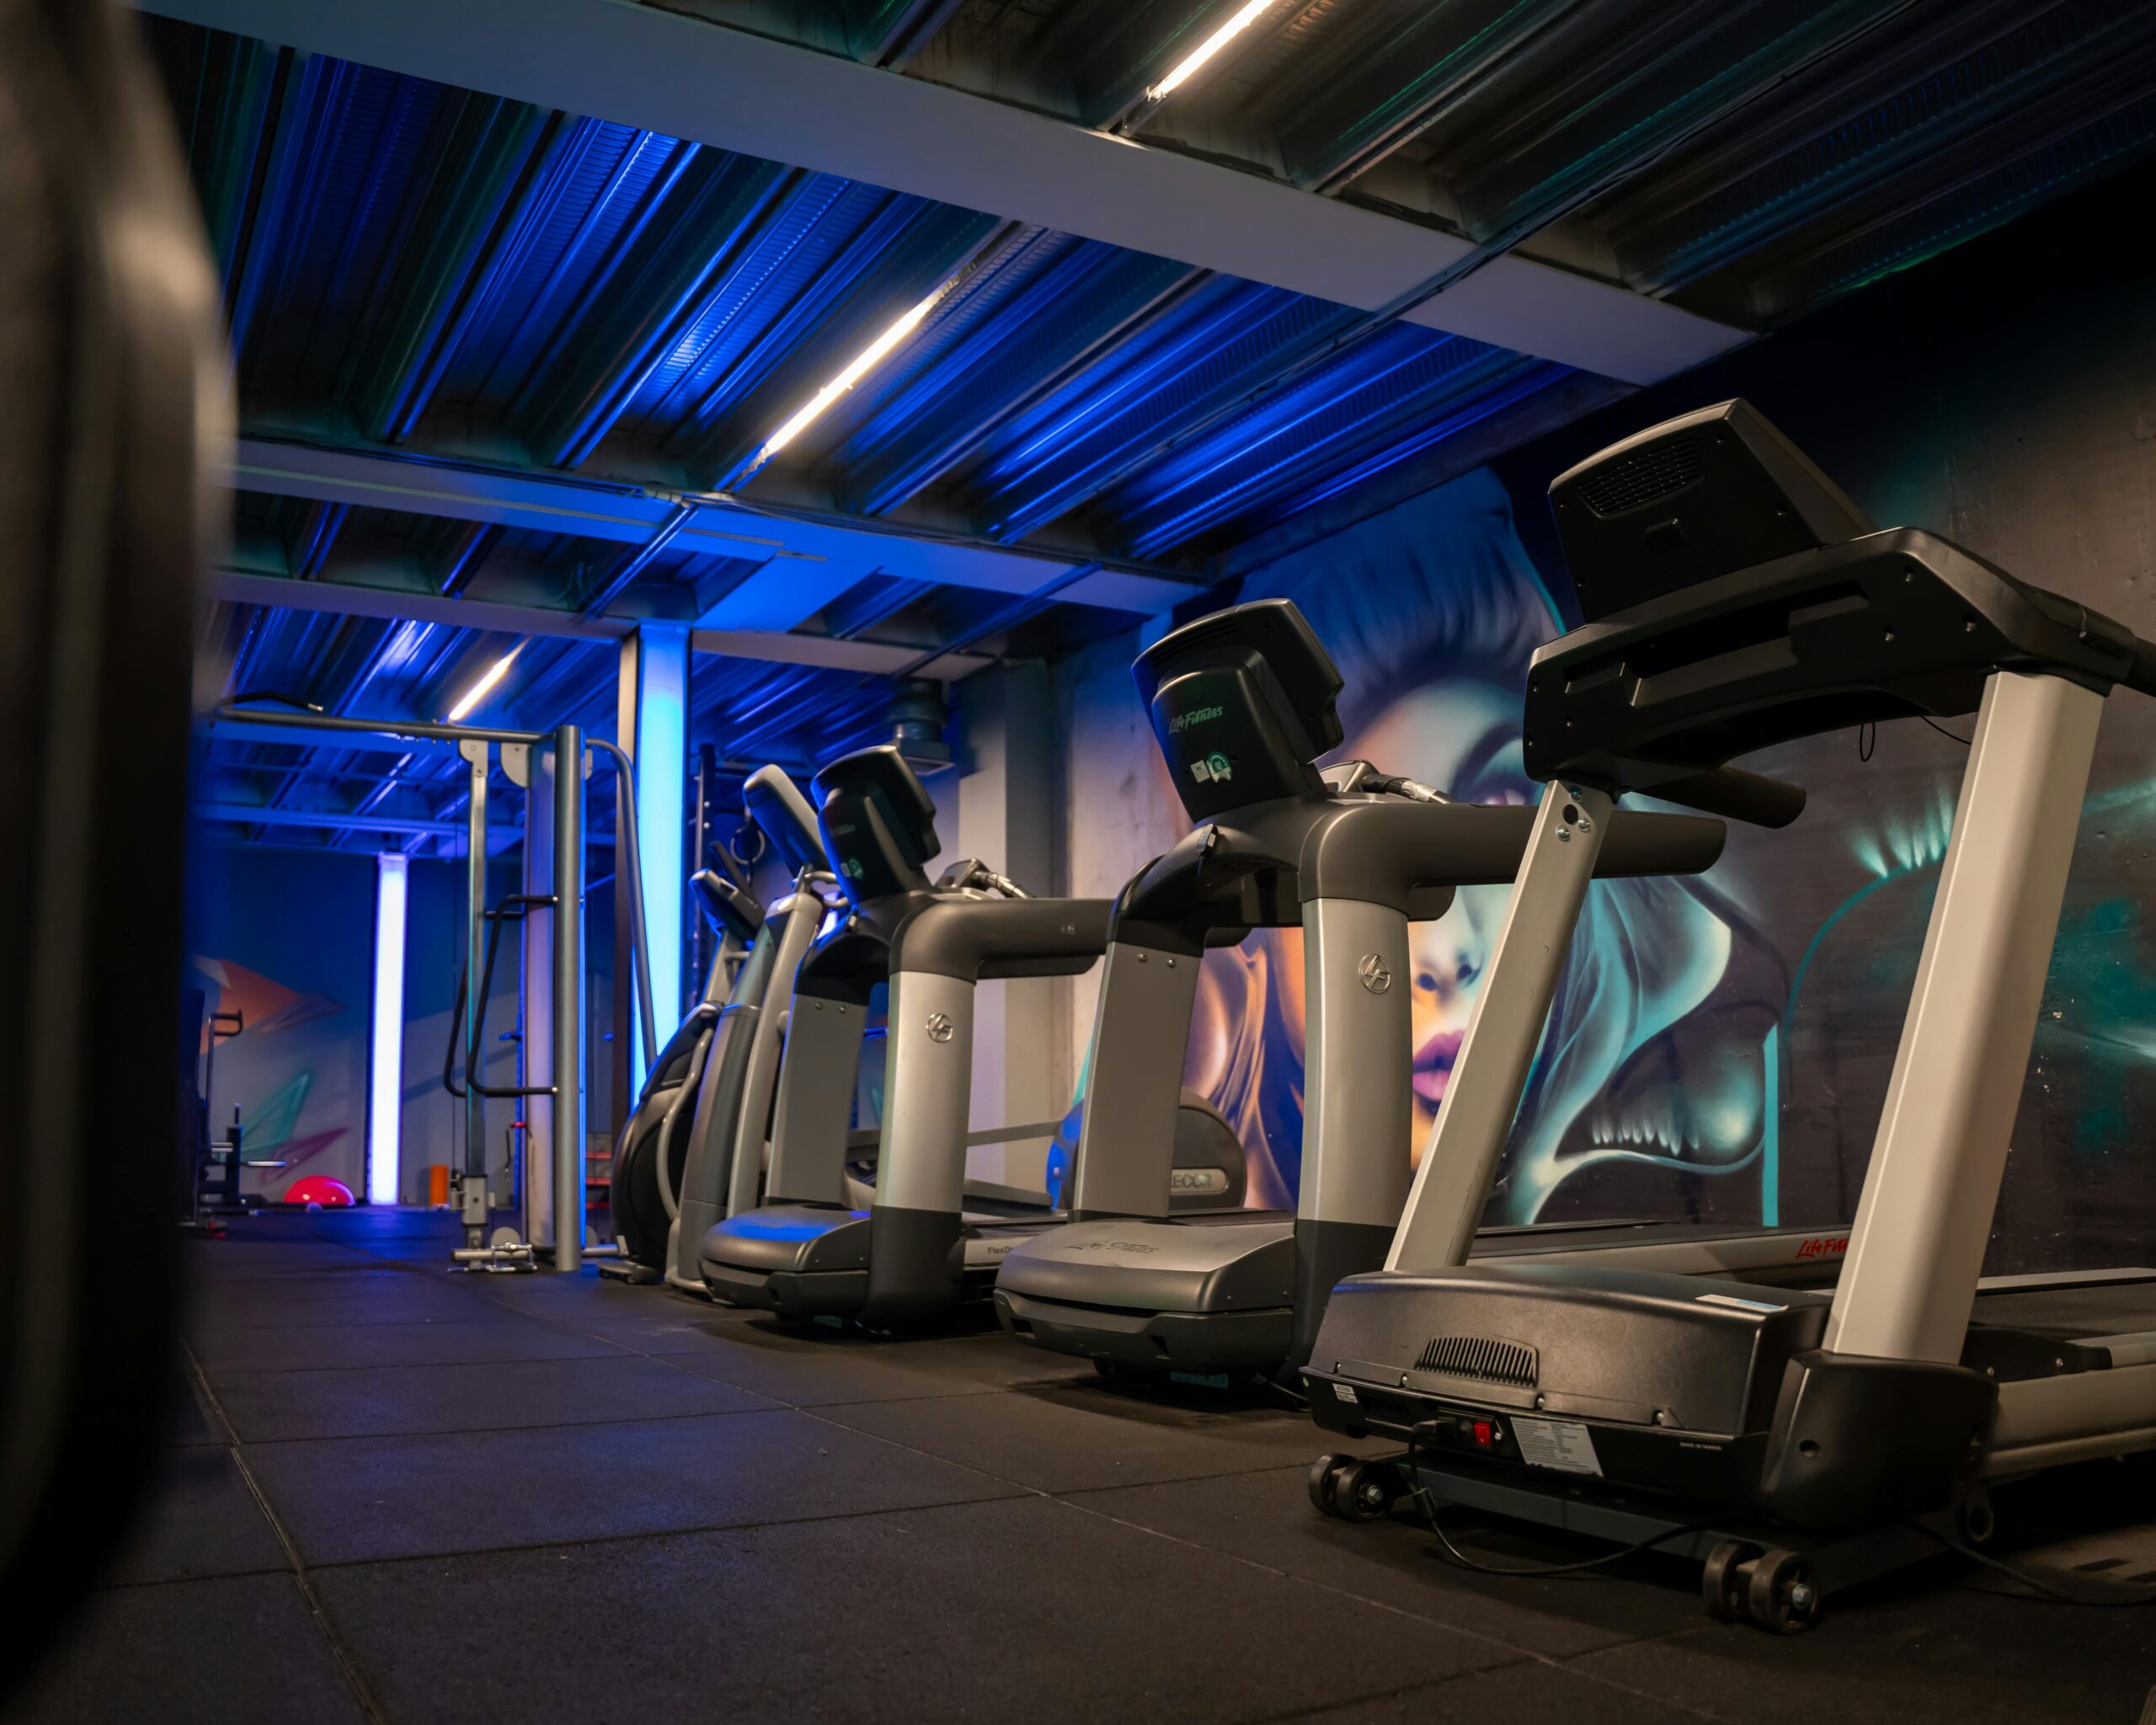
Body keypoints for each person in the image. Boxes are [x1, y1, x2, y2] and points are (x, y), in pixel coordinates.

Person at [1182, 468, 1784, 1226]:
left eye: (1496, 805)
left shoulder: (1662, 1145)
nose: (1448, 954)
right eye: (1353, 846)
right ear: (1256, 937)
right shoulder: (1213, 1154)